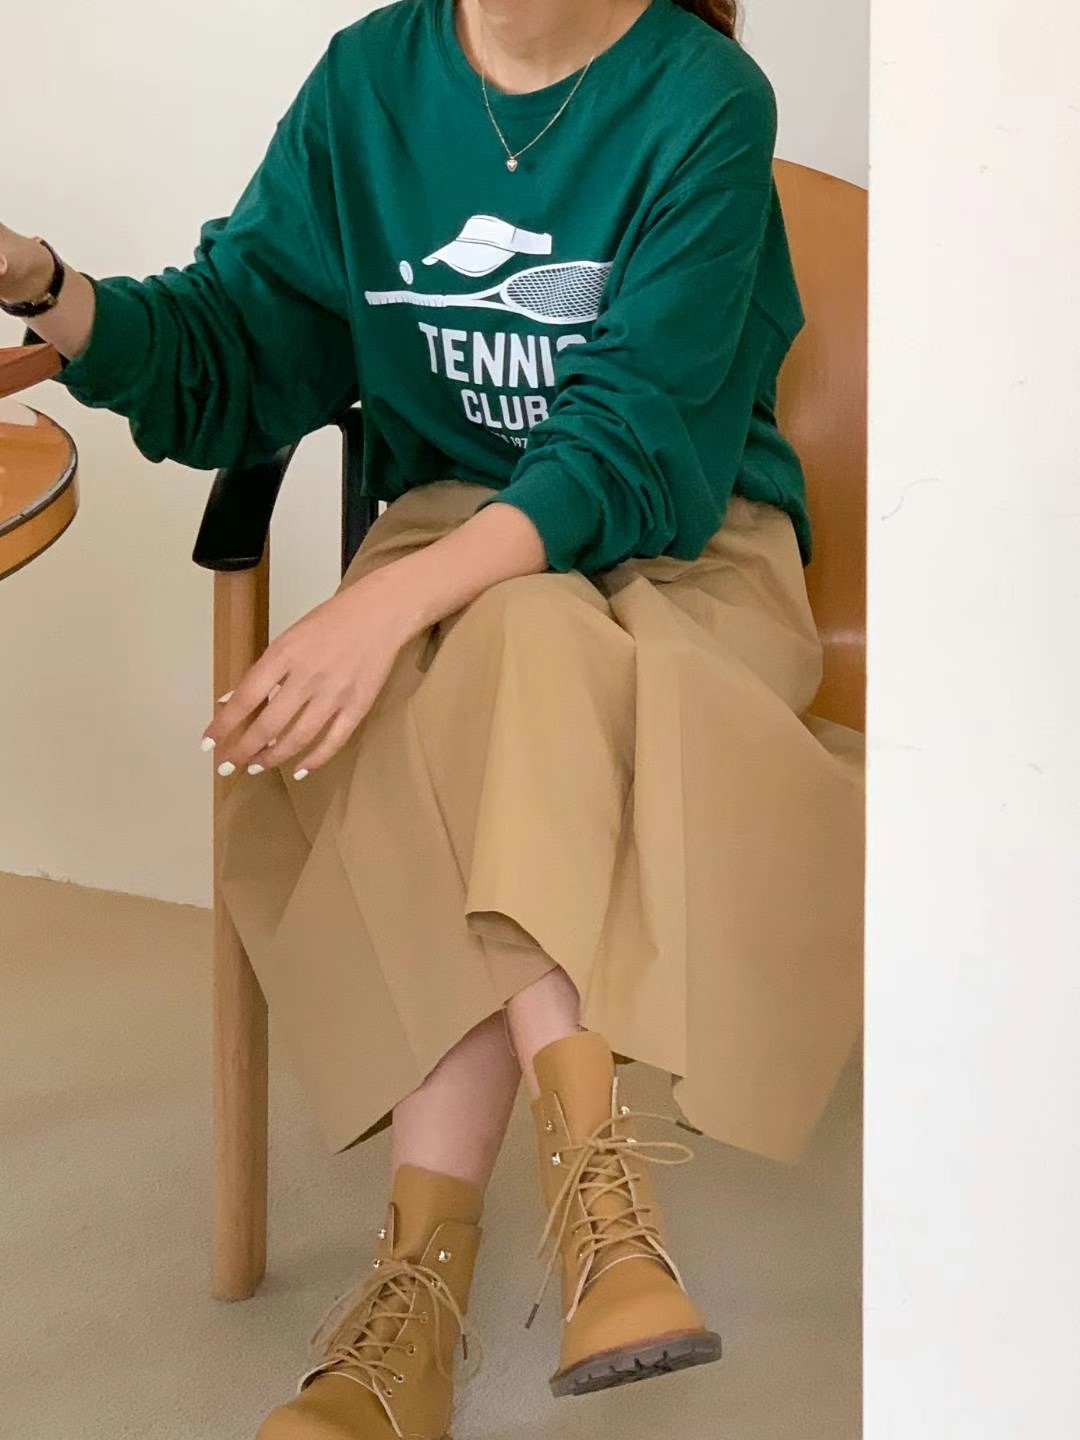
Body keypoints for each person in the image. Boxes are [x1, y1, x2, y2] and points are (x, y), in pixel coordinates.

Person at [0, 1, 864, 1435]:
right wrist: (43, 285)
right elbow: (239, 344)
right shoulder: (370, 81)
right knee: (498, 652)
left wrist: (382, 606)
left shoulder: (703, 95)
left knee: (498, 653)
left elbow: (638, 437)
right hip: (459, 540)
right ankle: (607, 1219)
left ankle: (416, 1292)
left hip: (684, 545)